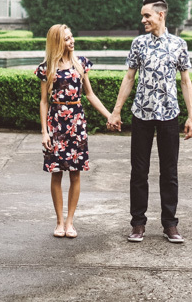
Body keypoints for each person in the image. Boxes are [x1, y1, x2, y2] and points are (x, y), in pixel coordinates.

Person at [108, 0, 192, 244]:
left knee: (169, 172)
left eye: (146, 15)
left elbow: (186, 81)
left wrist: (191, 116)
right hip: (141, 115)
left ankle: (170, 224)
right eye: (142, 15)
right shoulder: (138, 44)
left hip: (169, 114)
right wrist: (116, 111)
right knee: (139, 171)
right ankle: (138, 224)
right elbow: (129, 78)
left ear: (161, 15)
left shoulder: (179, 44)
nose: (143, 19)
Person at [37, 23, 111, 238]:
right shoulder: (46, 68)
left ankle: (70, 222)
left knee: (76, 174)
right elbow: (43, 102)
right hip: (56, 123)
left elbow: (90, 94)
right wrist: (44, 131)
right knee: (56, 173)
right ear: (58, 42)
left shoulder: (81, 64)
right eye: (67, 38)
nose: (72, 41)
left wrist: (109, 115)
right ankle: (59, 222)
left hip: (77, 123)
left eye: (71, 37)